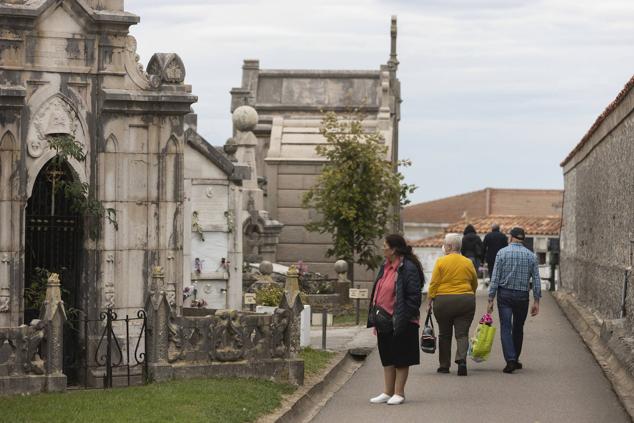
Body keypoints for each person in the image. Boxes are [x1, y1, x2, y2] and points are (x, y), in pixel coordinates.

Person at [367, 234, 424, 405]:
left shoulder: (408, 268)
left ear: (394, 249)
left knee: (401, 358)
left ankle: (399, 393)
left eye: (385, 245)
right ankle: (387, 391)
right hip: (384, 320)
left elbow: (414, 297)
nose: (382, 248)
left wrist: (404, 318)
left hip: (402, 320)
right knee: (388, 357)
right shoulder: (385, 266)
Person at [487, 227, 541, 373]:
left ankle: (510, 359)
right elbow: (536, 279)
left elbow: (495, 278)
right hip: (522, 295)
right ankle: (515, 358)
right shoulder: (531, 256)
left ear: (511, 237)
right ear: (523, 239)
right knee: (518, 327)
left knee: (506, 327)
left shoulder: (502, 253)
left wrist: (491, 298)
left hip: (504, 295)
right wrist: (536, 301)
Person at [426, 233, 478, 376]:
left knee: (444, 334)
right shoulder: (468, 262)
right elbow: (474, 282)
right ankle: (461, 361)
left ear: (449, 246)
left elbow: (434, 283)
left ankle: (444, 365)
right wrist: (469, 294)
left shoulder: (441, 262)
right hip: (465, 300)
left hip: (443, 302)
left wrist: (429, 300)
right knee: (462, 334)